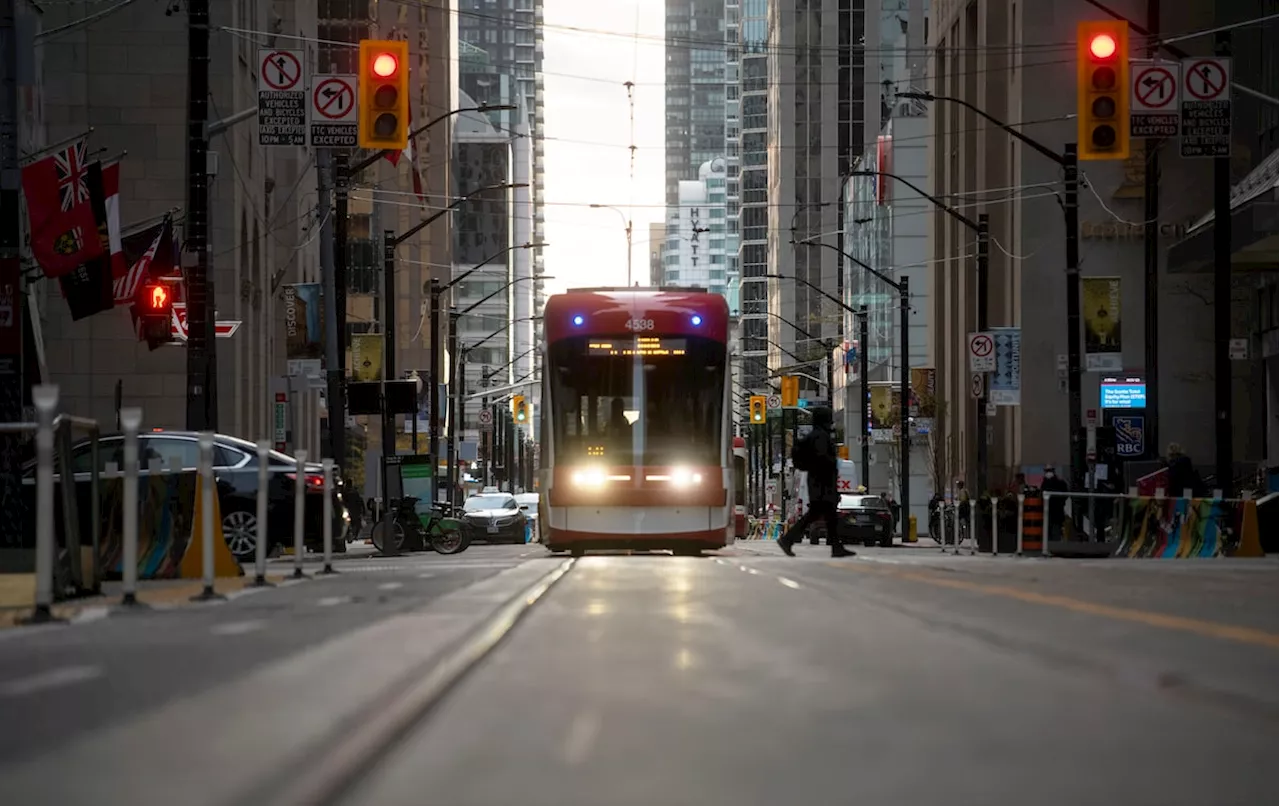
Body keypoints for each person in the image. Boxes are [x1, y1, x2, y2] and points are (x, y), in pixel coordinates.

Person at [777, 407, 853, 558]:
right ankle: (788, 539)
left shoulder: (816, 435)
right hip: (822, 482)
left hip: (818, 482)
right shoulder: (820, 437)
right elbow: (822, 459)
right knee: (818, 514)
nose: (831, 421)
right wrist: (832, 464)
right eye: (828, 418)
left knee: (826, 515)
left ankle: (835, 546)